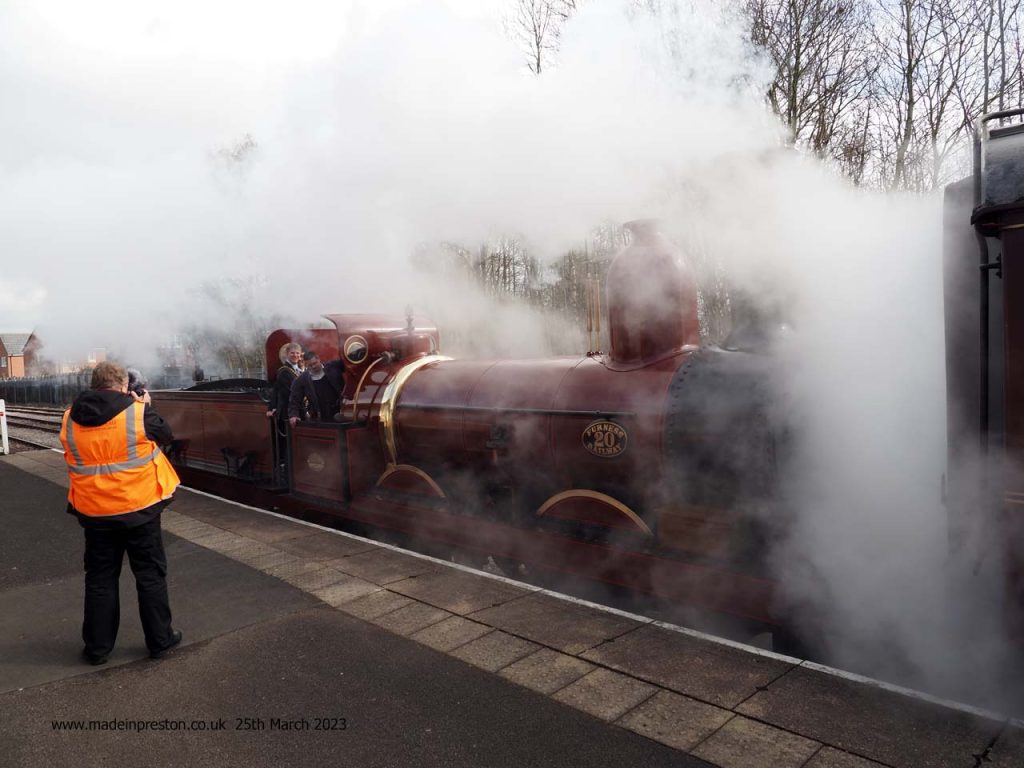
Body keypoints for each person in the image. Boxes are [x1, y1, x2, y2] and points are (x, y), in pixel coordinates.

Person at [59, 361, 182, 665]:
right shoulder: (139, 412)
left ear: (94, 384)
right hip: (139, 509)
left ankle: (98, 649)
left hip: (95, 512)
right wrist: (143, 404)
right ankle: (160, 642)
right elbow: (166, 436)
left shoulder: (69, 418)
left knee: (100, 579)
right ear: (123, 385)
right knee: (150, 576)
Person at [288, 351, 345, 426]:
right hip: (320, 417)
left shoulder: (333, 366)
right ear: (305, 364)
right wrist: (293, 415)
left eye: (315, 363)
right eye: (309, 365)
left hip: (340, 412)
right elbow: (294, 399)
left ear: (318, 359)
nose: (313, 367)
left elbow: (349, 362)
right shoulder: (301, 380)